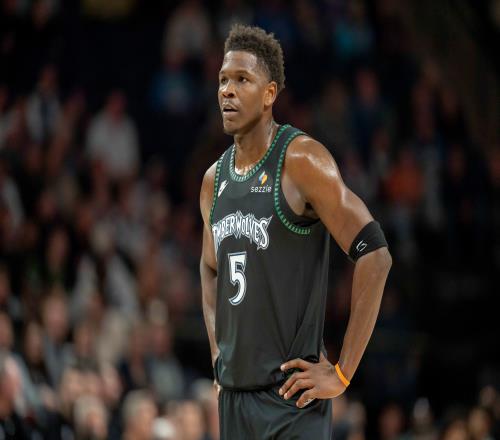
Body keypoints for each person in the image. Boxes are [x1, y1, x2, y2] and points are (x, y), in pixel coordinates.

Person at [199, 24, 392, 439]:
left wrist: (342, 372)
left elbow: (375, 254)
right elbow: (210, 268)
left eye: (242, 80)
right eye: (223, 80)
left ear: (270, 94)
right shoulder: (214, 180)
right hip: (234, 399)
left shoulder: (300, 160)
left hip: (291, 401)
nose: (227, 91)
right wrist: (217, 352)